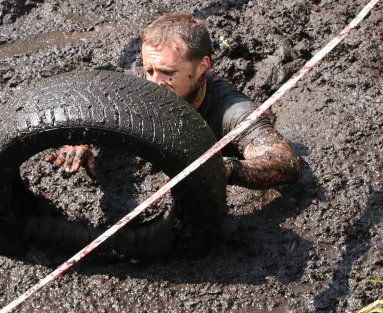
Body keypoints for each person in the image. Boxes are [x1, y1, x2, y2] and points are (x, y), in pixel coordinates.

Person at [46, 13, 302, 189]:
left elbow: (284, 162)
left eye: (168, 74)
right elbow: (89, 97)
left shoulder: (231, 109)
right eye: (149, 71)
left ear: (203, 67)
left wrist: (224, 169)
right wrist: (80, 139)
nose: (154, 84)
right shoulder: (140, 83)